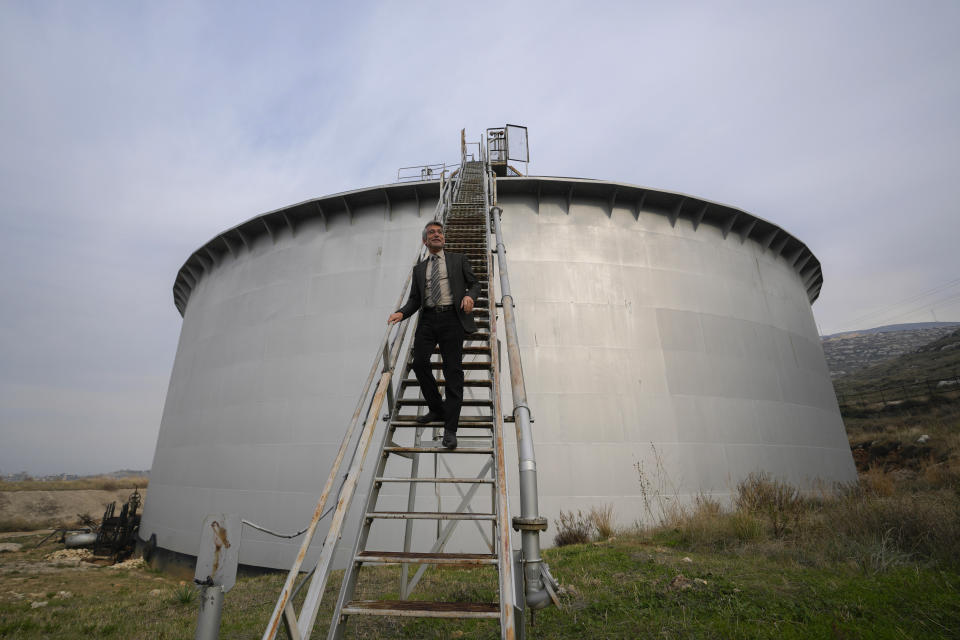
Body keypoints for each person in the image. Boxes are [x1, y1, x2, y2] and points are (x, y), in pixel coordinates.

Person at [388, 220, 481, 449]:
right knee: (419, 363)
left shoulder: (458, 259)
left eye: (440, 232)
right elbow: (414, 300)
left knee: (453, 372)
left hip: (452, 318)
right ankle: (437, 408)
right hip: (428, 319)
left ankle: (450, 429)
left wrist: (470, 296)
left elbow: (475, 283)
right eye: (432, 233)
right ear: (425, 240)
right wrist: (401, 313)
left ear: (444, 238)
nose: (437, 235)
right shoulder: (419, 269)